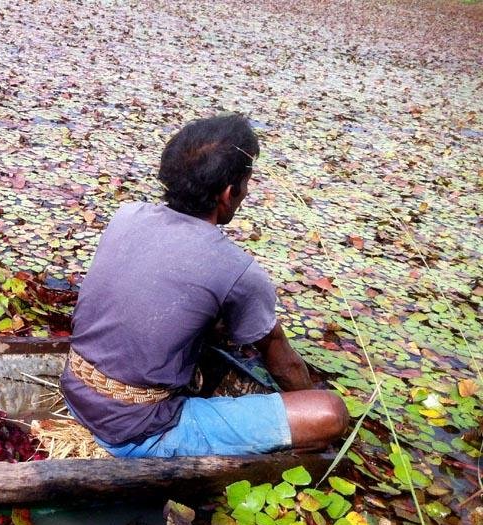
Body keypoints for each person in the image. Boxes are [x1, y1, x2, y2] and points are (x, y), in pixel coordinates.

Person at [60, 113, 348, 457]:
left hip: (74, 394)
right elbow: (282, 363)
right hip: (134, 432)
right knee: (329, 413)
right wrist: (306, 399)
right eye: (246, 183)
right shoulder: (238, 269)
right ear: (229, 193)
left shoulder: (127, 214)